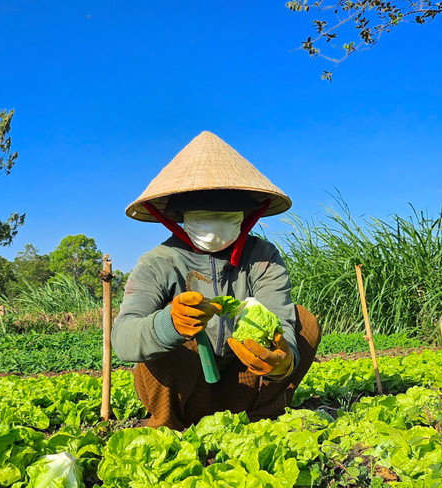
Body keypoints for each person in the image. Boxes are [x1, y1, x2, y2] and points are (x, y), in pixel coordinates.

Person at [111, 131, 320, 431]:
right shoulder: (159, 262)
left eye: (226, 214)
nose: (215, 223)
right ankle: (170, 428)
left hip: (244, 386)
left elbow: (284, 323)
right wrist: (169, 324)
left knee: (305, 322)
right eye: (204, 214)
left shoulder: (262, 256)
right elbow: (123, 338)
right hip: (187, 393)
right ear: (181, 215)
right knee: (165, 338)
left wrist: (282, 360)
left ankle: (263, 421)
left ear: (246, 214)